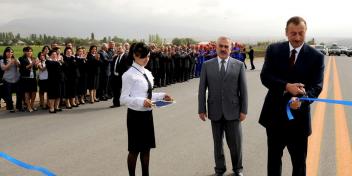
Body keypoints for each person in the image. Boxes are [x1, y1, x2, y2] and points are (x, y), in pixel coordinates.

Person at [259, 16, 324, 176]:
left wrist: (302, 100)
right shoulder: (273, 50)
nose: (297, 37)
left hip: (299, 121)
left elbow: (317, 86)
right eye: (293, 33)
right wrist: (287, 87)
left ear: (305, 32)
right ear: (286, 33)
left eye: (301, 33)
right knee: (273, 162)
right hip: (274, 118)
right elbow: (265, 76)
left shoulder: (316, 56)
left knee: (299, 164)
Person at [120, 42, 173, 176]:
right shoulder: (128, 75)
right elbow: (123, 99)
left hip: (147, 115)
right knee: (134, 150)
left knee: (146, 150)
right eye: (143, 56)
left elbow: (148, 94)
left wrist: (162, 95)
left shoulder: (147, 72)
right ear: (134, 55)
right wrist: (141, 101)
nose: (146, 59)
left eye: (148, 56)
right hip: (135, 116)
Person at [198, 36, 248, 176]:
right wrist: (201, 109)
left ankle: (238, 169)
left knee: (236, 144)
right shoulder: (207, 65)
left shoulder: (238, 65)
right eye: (221, 46)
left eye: (226, 46)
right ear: (216, 47)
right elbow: (202, 89)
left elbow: (243, 90)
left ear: (231, 49)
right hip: (215, 111)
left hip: (233, 111)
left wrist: (244, 110)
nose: (223, 49)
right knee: (217, 144)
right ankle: (219, 169)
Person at [0, 47, 20, 112]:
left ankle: (18, 107)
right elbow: (4, 68)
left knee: (19, 94)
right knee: (8, 95)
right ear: (5, 53)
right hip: (7, 79)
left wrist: (16, 62)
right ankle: (10, 108)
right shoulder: (2, 60)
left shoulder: (15, 59)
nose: (10, 53)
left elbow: (19, 66)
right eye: (8, 52)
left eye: (11, 52)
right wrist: (10, 62)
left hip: (16, 79)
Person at [18, 46, 38, 112]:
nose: (29, 52)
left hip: (33, 78)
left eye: (30, 51)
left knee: (34, 93)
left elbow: (36, 68)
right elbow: (24, 68)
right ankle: (29, 107)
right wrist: (32, 63)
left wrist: (36, 64)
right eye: (28, 51)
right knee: (27, 93)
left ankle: (31, 105)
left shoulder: (33, 58)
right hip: (26, 78)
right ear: (24, 52)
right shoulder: (21, 59)